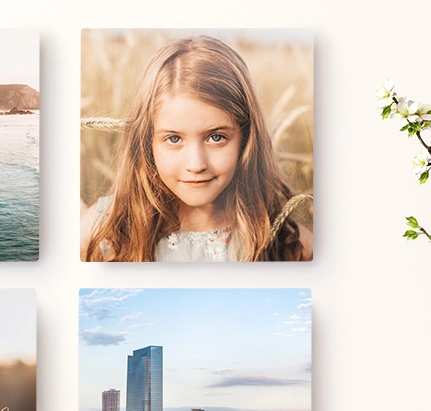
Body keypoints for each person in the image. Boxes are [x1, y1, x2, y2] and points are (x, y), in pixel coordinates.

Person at [81, 35, 312, 262]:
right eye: (173, 139)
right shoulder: (103, 230)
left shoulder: (289, 243)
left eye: (216, 137)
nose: (196, 165)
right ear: (146, 142)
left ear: (246, 137)